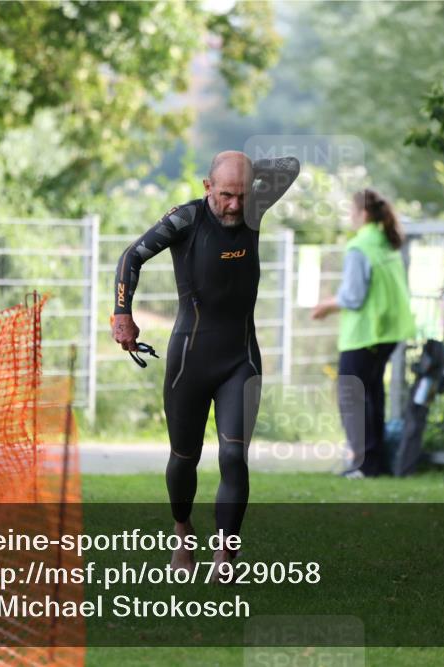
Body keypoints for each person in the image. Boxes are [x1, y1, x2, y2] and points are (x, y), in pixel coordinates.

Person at [112, 151, 300, 579]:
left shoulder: (252, 209)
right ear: (206, 187)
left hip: (241, 358)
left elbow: (290, 166)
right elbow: (131, 256)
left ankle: (225, 556)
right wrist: (122, 313)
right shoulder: (187, 219)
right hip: (189, 360)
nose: (234, 205)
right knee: (184, 458)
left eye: (241, 194)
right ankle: (182, 532)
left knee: (235, 457)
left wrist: (246, 175)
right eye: (225, 195)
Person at [311, 189, 416, 478]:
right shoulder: (385, 243)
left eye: (351, 212)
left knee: (352, 396)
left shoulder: (360, 246)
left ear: (363, 214)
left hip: (365, 334)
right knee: (371, 395)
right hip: (387, 332)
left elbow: (353, 297)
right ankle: (374, 463)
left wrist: (327, 306)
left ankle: (362, 464)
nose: (350, 217)